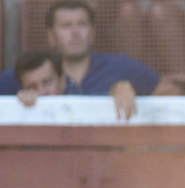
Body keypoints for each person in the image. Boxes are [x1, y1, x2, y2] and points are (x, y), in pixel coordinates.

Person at [0, 0, 174, 119]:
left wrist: (135, 96)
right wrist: (21, 100)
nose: (75, 32)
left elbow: (175, 96)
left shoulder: (120, 66)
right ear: (51, 36)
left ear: (93, 32)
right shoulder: (33, 74)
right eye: (66, 26)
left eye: (82, 24)